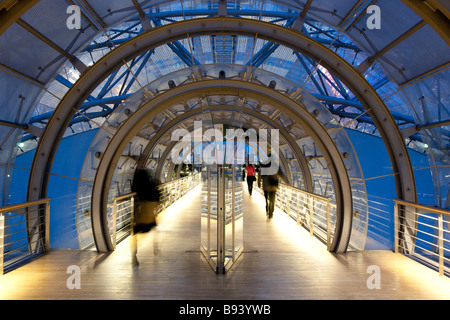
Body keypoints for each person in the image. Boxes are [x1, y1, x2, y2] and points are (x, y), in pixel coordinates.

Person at [130, 169, 161, 266]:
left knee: (133, 235)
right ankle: (155, 248)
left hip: (141, 221)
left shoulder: (139, 190)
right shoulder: (153, 189)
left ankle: (133, 256)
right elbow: (158, 202)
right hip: (151, 219)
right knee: (155, 229)